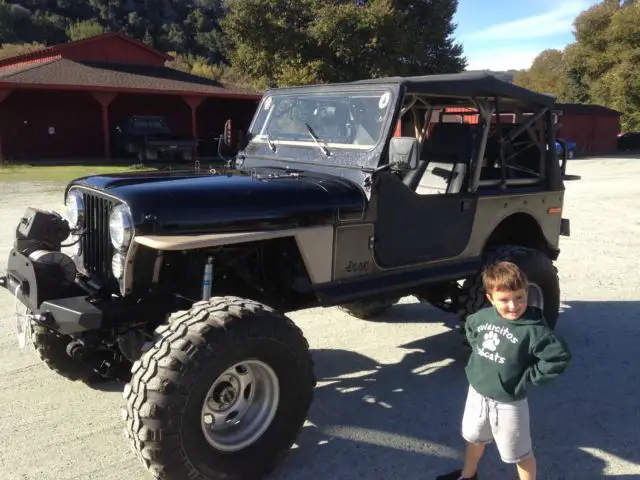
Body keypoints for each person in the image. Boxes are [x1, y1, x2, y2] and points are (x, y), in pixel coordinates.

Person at [437, 261, 571, 480]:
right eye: (504, 299)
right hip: (477, 393)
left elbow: (558, 356)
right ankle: (468, 475)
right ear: (490, 298)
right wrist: (481, 358)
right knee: (473, 438)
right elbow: (471, 329)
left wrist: (530, 375)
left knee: (520, 453)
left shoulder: (534, 329)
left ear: (526, 293)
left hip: (509, 402)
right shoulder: (483, 317)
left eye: (520, 297)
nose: (513, 305)